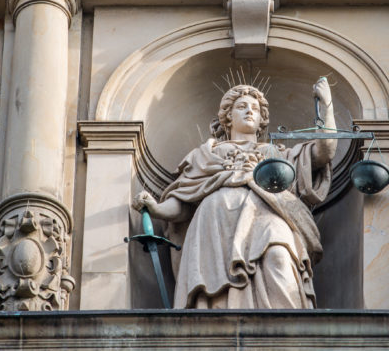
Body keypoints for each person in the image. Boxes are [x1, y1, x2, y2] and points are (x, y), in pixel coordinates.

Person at [132, 77, 336, 309]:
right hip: (215, 224)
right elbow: (181, 202)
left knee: (279, 257)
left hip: (268, 218)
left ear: (262, 120)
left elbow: (324, 151)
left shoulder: (277, 155)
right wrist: (156, 208)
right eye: (242, 106)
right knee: (216, 293)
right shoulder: (206, 154)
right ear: (228, 116)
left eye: (255, 108)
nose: (249, 111)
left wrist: (326, 106)